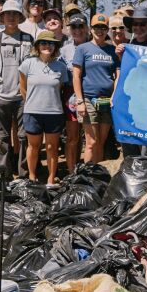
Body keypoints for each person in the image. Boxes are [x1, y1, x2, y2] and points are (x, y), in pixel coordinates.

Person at [0, 0, 33, 175]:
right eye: (8, 14)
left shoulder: (29, 39)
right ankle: (4, 175)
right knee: (1, 139)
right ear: (2, 17)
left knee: (24, 137)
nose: (11, 17)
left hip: (23, 98)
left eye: (15, 14)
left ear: (19, 17)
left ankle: (24, 175)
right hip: (0, 97)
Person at [18, 30, 71, 185]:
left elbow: (59, 88)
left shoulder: (60, 67)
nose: (47, 46)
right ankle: (32, 177)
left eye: (51, 43)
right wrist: (32, 102)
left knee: (52, 147)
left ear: (55, 47)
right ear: (37, 46)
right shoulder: (27, 64)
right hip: (32, 112)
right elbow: (23, 88)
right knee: (33, 147)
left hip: (54, 112)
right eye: (44, 43)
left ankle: (50, 178)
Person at [71, 14, 119, 163]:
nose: (100, 31)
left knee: (100, 143)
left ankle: (97, 177)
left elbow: (118, 75)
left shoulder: (113, 50)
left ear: (107, 30)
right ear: (91, 29)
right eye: (97, 27)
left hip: (107, 101)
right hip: (88, 99)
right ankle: (86, 178)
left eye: (103, 28)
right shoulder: (83, 49)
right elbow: (76, 76)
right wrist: (80, 101)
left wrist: (114, 96)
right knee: (91, 143)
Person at [60, 12, 90, 174]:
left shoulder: (94, 46)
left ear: (86, 28)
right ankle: (72, 173)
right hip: (71, 97)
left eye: (80, 26)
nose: (77, 30)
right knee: (72, 138)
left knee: (90, 140)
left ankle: (88, 172)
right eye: (74, 27)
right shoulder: (64, 51)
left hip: (92, 95)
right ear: (69, 29)